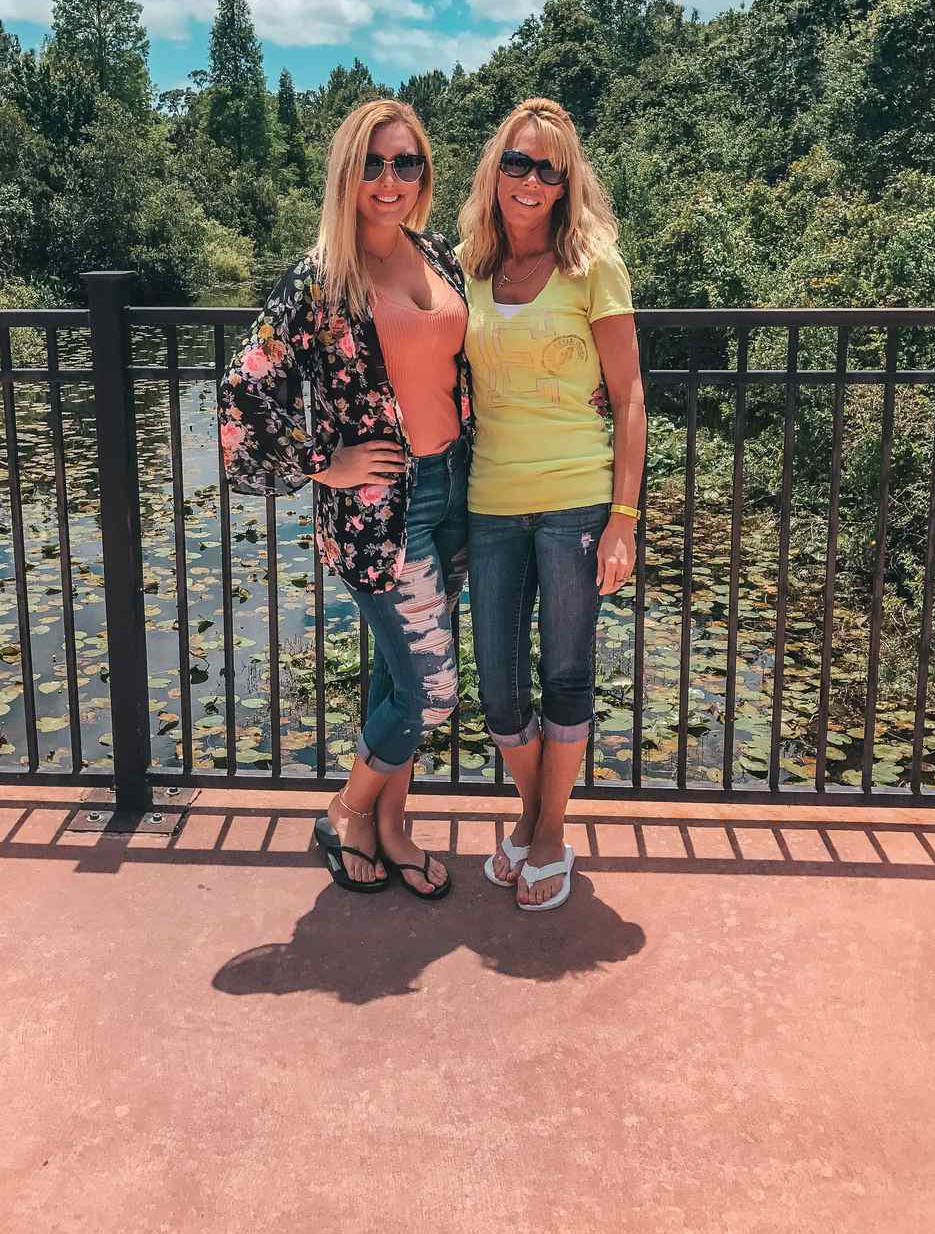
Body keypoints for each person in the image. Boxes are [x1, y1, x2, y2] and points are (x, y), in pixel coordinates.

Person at [219, 99, 472, 899]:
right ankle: (345, 811)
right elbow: (241, 392)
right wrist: (321, 462)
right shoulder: (321, 280)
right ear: (346, 173)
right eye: (373, 163)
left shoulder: (437, 256)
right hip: (377, 516)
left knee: (398, 682)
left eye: (406, 163)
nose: (390, 180)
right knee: (431, 690)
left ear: (423, 173)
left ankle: (389, 828)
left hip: (451, 493)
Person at [457, 97, 646, 912]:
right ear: (495, 170)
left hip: (576, 498)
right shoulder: (465, 264)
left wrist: (624, 519)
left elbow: (630, 393)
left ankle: (547, 832)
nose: (530, 181)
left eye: (548, 170)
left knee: (565, 673)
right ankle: (539, 816)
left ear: (568, 186)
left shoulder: (593, 263)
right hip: (490, 500)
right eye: (518, 163)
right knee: (498, 688)